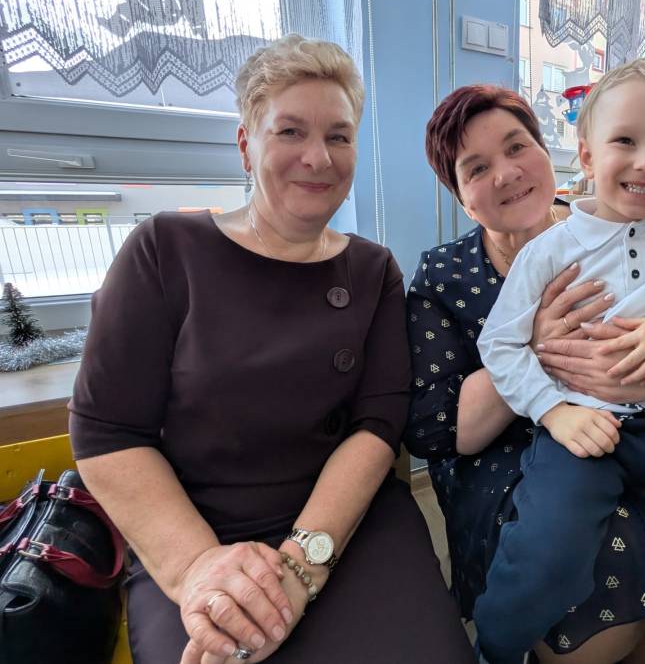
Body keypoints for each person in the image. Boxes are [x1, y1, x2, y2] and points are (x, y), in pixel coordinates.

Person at [68, 35, 473, 664]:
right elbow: (108, 431)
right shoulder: (164, 249)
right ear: (245, 145)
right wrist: (198, 569)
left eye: (339, 136)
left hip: (345, 522)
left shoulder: (374, 271)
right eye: (290, 132)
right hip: (197, 528)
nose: (318, 157)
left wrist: (301, 566)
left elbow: (377, 426)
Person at [405, 82, 645, 664]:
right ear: (460, 195)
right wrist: (544, 361)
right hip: (529, 445)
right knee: (590, 581)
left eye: (517, 146)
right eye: (477, 168)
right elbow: (436, 428)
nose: (506, 173)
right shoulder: (447, 274)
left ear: (552, 151)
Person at [474, 58, 645, 664]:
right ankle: (494, 647)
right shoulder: (551, 248)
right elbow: (499, 344)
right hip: (578, 433)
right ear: (588, 156)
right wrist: (554, 412)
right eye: (625, 140)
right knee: (547, 548)